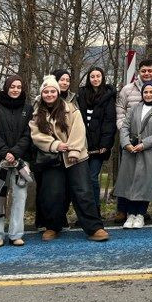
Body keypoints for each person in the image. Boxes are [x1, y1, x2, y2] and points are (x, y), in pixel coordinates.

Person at [29, 75, 109, 241]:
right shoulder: (37, 113)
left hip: (76, 157)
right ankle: (53, 227)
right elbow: (36, 135)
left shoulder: (71, 108)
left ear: (57, 92)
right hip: (52, 157)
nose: (49, 94)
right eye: (46, 91)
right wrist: (55, 145)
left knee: (83, 192)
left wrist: (73, 151)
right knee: (53, 194)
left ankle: (94, 228)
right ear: (42, 94)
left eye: (52, 91)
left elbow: (79, 131)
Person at [114, 58, 152, 223]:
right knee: (128, 178)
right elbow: (121, 112)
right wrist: (126, 141)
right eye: (143, 70)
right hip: (130, 143)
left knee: (145, 180)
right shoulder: (128, 90)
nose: (146, 73)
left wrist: (145, 143)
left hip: (149, 146)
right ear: (139, 71)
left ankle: (140, 213)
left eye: (150, 70)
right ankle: (126, 211)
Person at [0, 74, 32, 247]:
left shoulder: (27, 108)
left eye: (18, 87)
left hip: (20, 162)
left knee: (20, 197)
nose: (15, 89)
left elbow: (28, 135)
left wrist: (15, 153)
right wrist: (5, 153)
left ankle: (16, 234)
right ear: (6, 87)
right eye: (12, 86)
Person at [75, 66, 118, 212]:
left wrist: (105, 144)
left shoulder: (108, 95)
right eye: (92, 76)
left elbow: (110, 122)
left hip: (99, 146)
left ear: (103, 77)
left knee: (92, 178)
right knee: (82, 181)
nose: (95, 79)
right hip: (82, 144)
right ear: (88, 78)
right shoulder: (81, 94)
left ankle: (95, 210)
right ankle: (84, 211)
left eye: (98, 76)